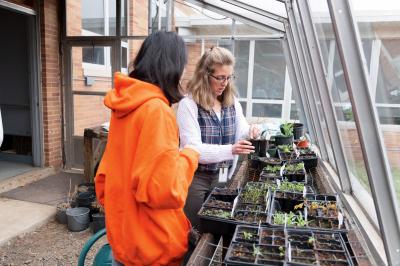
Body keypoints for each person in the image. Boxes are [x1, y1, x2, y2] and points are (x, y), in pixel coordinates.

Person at [95, 31, 199, 266]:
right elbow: (164, 190)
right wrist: (190, 156)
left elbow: (104, 177)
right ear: (172, 67)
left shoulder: (124, 106)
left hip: (124, 242)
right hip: (152, 247)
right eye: (182, 65)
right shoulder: (157, 111)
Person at [176, 46, 259, 231]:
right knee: (193, 228)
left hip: (222, 175)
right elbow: (193, 149)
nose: (225, 83)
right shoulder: (189, 105)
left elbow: (241, 128)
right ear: (205, 76)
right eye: (220, 77)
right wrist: (230, 150)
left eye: (229, 77)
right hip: (196, 178)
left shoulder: (231, 102)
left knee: (216, 225)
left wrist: (251, 131)